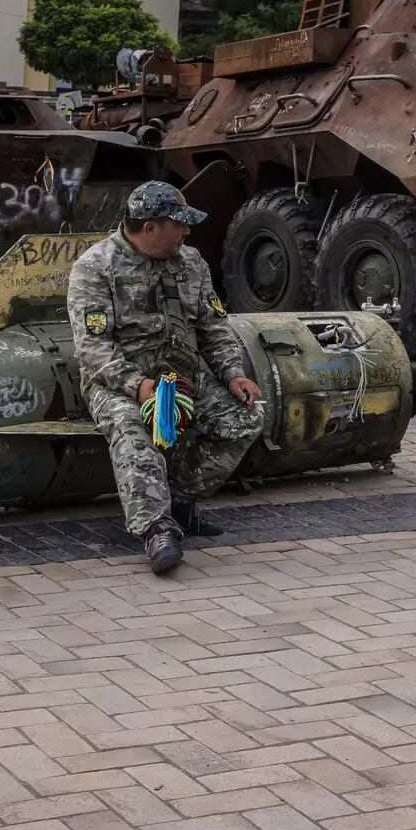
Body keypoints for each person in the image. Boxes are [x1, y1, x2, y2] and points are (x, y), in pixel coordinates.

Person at [67, 181, 264, 575]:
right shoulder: (95, 267)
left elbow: (213, 327)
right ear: (150, 227)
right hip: (120, 378)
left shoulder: (191, 263)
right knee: (131, 426)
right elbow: (93, 348)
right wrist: (138, 387)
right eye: (179, 224)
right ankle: (156, 529)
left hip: (182, 373)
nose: (187, 232)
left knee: (246, 417)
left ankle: (180, 502)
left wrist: (232, 375)